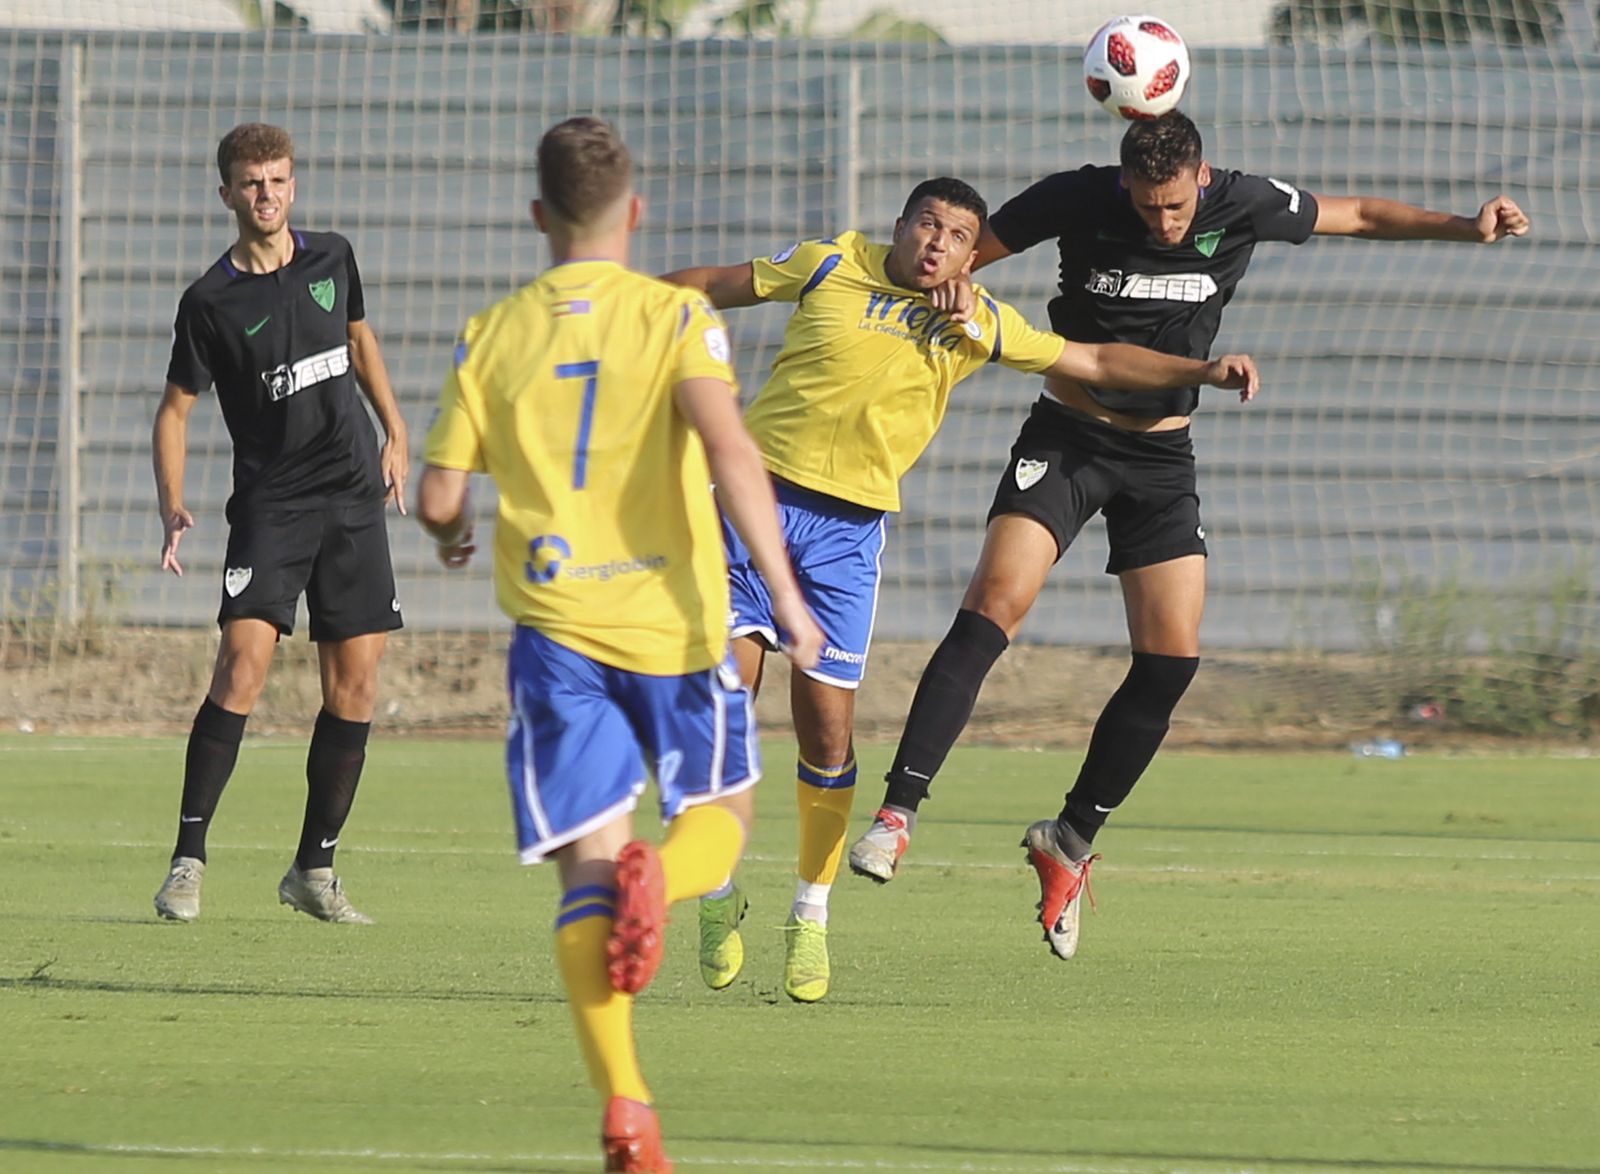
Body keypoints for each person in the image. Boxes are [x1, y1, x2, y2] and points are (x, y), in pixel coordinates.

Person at [849, 110, 1532, 962]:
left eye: (1174, 208)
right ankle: (896, 815)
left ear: (1200, 180)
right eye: (1146, 207)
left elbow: (1358, 213)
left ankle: (1068, 839)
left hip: (1162, 459)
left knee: (1172, 660)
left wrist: (1466, 229)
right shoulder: (1078, 197)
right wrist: (947, 284)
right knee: (994, 607)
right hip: (1067, 436)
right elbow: (968, 252)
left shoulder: (1243, 204)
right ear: (1125, 182)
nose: (1162, 223)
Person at [662, 176, 1260, 1002]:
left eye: (956, 234)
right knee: (717, 716)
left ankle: (811, 913)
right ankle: (718, 896)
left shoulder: (975, 322)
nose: (937, 242)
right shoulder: (830, 264)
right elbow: (711, 286)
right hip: (750, 509)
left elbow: (1094, 359)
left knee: (825, 739)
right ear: (900, 227)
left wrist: (1203, 368)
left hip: (844, 542)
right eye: (927, 225)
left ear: (970, 250)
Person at [415, 116, 823, 1174]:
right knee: (722, 822)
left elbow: (439, 495)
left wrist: (455, 532)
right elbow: (731, 447)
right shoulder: (676, 314)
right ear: (634, 213)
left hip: (558, 637)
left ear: (538, 215)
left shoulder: (492, 330)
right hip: (679, 630)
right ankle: (666, 876)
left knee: (582, 880)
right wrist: (783, 592)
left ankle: (628, 1110)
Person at [151, 122, 409, 925]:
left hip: (353, 499)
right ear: (226, 193)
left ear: (294, 186)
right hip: (273, 508)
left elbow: (360, 344)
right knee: (242, 666)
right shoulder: (209, 302)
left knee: (357, 685)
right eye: (252, 183)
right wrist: (172, 499)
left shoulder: (333, 259)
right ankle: (187, 862)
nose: (267, 195)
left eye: (279, 180)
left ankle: (314, 871)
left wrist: (395, 431)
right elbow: (175, 410)